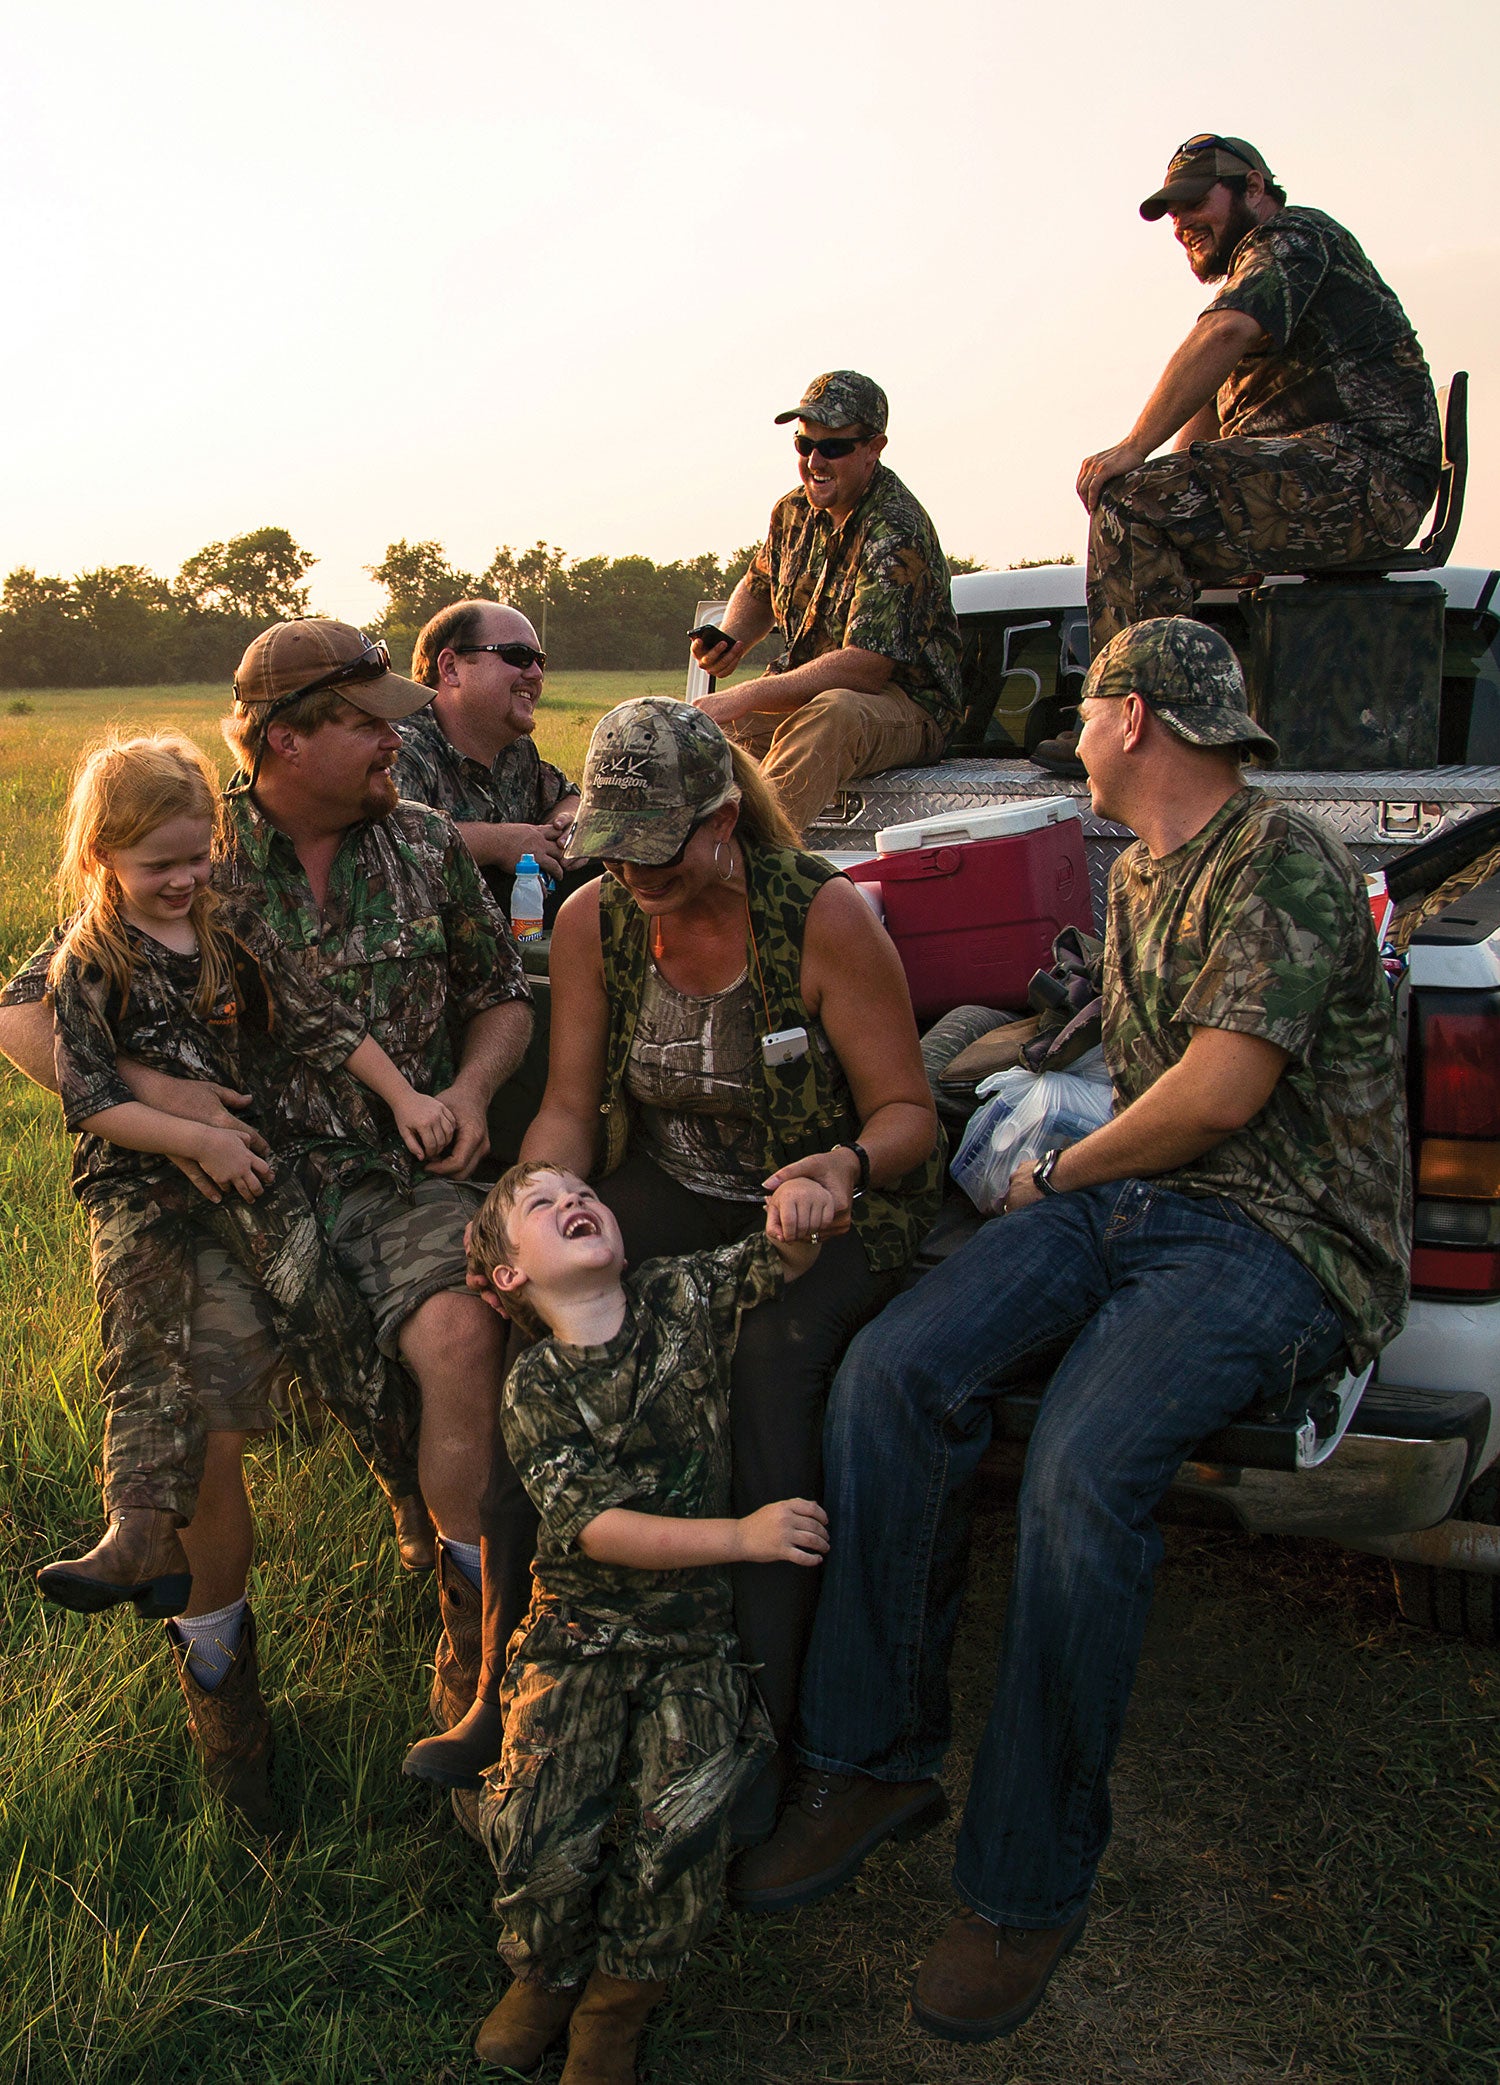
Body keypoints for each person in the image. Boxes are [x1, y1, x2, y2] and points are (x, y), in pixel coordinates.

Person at [732, 618, 1411, 2045]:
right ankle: (869, 1758)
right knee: (893, 1373)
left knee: (1082, 1470)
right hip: (1140, 1200)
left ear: (1137, 720)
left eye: (1086, 711)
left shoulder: (1280, 860)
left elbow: (1222, 1092)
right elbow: (1117, 1041)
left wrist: (1054, 1173)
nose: (1074, 736)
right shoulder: (1146, 871)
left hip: (1272, 1232)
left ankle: (1023, 1888)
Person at [0, 619, 533, 1825]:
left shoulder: (427, 845)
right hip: (231, 1190)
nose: (396, 735)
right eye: (365, 720)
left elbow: (500, 994)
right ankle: (226, 1709)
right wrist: (153, 1098)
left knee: (455, 1340)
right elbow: (26, 1013)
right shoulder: (183, 841)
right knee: (205, 1418)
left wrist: (465, 1091)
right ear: (286, 739)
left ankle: (471, 1672)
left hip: (396, 1176)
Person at [404, 698, 943, 1831]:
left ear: (721, 823)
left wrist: (840, 1164)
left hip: (822, 1210)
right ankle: (507, 1683)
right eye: (615, 846)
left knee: (767, 1369)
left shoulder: (822, 916)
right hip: (672, 1188)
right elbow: (564, 1104)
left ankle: (757, 1736)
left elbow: (909, 1114)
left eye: (657, 847)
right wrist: (514, 1220)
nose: (633, 872)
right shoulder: (598, 918)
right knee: (524, 1330)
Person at [34, 734, 452, 1621]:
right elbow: (92, 1098)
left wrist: (406, 1096)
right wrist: (191, 1136)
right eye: (160, 864)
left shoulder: (229, 925)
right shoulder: (88, 961)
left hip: (247, 1167)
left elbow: (316, 1021)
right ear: (102, 854)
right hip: (134, 1182)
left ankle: (404, 1485)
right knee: (142, 1336)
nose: (185, 878)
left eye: (197, 855)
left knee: (329, 1323)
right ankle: (139, 1526)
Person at [462, 1161, 830, 2082]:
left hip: (689, 1636)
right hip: (574, 1630)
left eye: (580, 1191)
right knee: (542, 1812)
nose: (572, 1202)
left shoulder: (678, 1293)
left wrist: (804, 1211)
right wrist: (742, 1536)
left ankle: (618, 2004)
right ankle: (542, 1975)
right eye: (540, 1206)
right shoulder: (535, 1386)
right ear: (512, 1276)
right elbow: (600, 1531)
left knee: (686, 1810)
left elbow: (779, 1259)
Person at [1072, 134, 1441, 685]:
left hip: (1369, 475)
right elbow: (1206, 419)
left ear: (1253, 188)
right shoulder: (1264, 284)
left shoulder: (1293, 237)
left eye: (1196, 202)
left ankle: (1139, 714)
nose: (1182, 223)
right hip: (1338, 476)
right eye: (1173, 212)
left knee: (1131, 503)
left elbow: (1222, 332)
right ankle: (1171, 708)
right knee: (1145, 500)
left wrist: (1132, 450)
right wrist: (1172, 486)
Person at [689, 370, 962, 836]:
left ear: (874, 447)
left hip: (905, 704)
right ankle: (653, 856)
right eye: (804, 445)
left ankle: (750, 859)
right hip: (812, 691)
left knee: (833, 713)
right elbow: (758, 588)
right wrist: (732, 636)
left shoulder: (896, 529)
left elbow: (865, 670)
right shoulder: (792, 512)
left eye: (833, 448)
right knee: (692, 730)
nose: (815, 460)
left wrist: (741, 696)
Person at [398, 598, 578, 908]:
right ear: (451, 668)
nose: (536, 674)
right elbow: (391, 842)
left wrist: (564, 828)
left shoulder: (516, 750)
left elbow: (568, 796)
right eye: (518, 656)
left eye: (540, 661)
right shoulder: (397, 748)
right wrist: (502, 843)